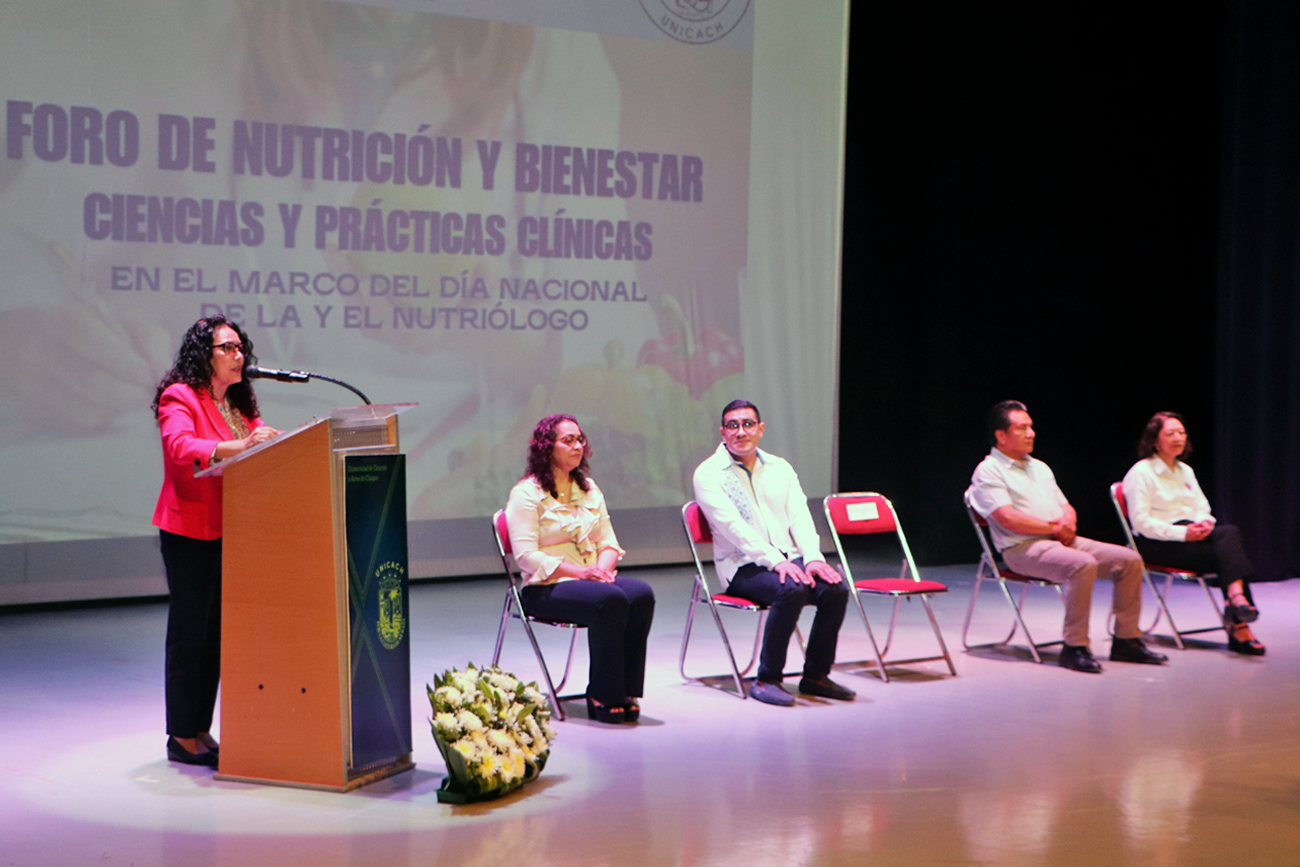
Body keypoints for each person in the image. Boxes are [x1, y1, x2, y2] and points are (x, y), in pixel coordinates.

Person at [152, 316, 280, 767]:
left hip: (232, 527)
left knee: (216, 637)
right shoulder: (180, 396)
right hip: (188, 530)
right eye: (227, 347)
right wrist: (241, 447)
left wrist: (270, 442)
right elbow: (180, 446)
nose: (238, 354)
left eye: (240, 347)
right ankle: (180, 735)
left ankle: (200, 728)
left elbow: (256, 444)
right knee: (189, 634)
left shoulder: (238, 404)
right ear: (204, 355)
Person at [967, 400, 1166, 673]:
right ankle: (1074, 647)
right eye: (1022, 428)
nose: (1031, 433)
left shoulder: (1040, 467)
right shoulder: (989, 470)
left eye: (1031, 427)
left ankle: (1126, 641)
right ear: (1001, 435)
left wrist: (1067, 522)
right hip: (1022, 549)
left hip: (1059, 539)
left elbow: (1065, 506)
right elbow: (1007, 518)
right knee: (1081, 564)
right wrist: (1053, 528)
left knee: (1130, 560)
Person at [692, 400, 853, 706]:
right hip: (741, 565)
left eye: (748, 424)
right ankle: (767, 679)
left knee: (835, 588)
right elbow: (732, 527)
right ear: (722, 432)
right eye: (733, 425)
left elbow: (800, 516)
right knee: (790, 589)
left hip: (788, 558)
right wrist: (776, 561)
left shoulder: (780, 468)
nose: (741, 431)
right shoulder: (709, 473)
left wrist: (813, 557)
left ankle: (816, 676)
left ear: (761, 429)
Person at [505, 414, 655, 724]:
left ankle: (626, 690)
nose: (578, 446)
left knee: (640, 594)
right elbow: (525, 556)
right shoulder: (526, 494)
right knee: (610, 601)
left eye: (580, 439)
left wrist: (600, 570)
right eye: (568, 440)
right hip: (546, 587)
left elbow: (609, 541)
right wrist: (581, 573)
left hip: (591, 580)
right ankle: (603, 692)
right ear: (547, 447)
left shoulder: (588, 488)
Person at [1121, 411, 1266, 655]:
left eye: (1182, 433)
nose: (1178, 438)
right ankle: (1238, 618)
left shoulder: (1185, 471)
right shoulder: (1141, 473)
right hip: (1157, 542)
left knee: (1227, 532)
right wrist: (1182, 533)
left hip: (1191, 535)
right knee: (1228, 555)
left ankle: (1236, 602)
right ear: (1155, 441)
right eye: (1171, 434)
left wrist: (1203, 524)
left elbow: (1202, 507)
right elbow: (1142, 523)